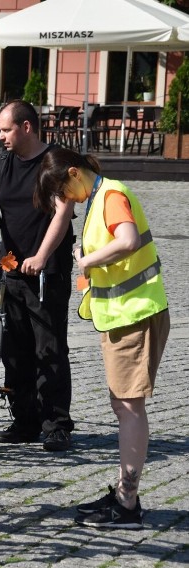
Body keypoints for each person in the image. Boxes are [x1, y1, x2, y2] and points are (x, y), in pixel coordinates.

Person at [34, 147, 169, 528]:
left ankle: (127, 504)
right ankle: (126, 497)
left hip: (135, 316)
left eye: (61, 191)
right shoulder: (99, 198)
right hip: (124, 318)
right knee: (123, 406)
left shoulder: (110, 196)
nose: (62, 200)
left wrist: (88, 260)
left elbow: (126, 240)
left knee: (129, 409)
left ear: (74, 174)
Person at [0, 99, 76, 452]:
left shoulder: (57, 162)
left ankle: (56, 423)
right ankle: (24, 420)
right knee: (13, 347)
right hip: (10, 266)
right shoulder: (0, 163)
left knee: (49, 347)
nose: (1, 137)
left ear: (26, 127)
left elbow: (63, 214)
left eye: (6, 129)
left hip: (47, 271)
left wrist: (41, 255)